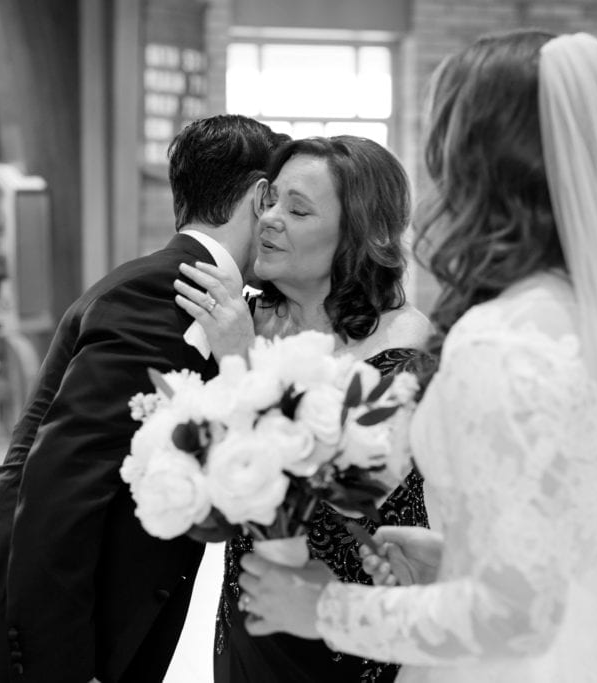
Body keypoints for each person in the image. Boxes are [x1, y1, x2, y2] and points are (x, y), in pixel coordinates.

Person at [231, 31, 597, 682]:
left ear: (480, 168)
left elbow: (516, 617)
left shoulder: (506, 338)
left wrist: (323, 606)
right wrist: (458, 559)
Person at [0, 114, 286, 683]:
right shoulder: (162, 294)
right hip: (11, 640)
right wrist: (63, 669)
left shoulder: (187, 290)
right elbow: (60, 490)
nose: (278, 223)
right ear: (257, 194)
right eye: (279, 204)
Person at [174, 135, 435, 682]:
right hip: (251, 617)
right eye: (269, 201)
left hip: (344, 634)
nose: (269, 219)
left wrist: (240, 363)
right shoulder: (250, 317)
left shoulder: (403, 348)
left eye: (297, 210)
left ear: (365, 236)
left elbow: (352, 488)